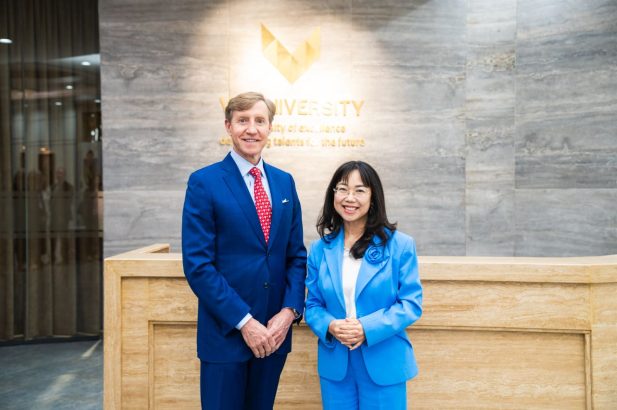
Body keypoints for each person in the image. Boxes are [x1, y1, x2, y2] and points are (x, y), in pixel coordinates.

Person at [182, 92, 307, 410]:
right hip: (226, 336)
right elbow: (198, 266)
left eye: (260, 121)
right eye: (242, 121)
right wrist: (245, 322)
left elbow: (295, 256)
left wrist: (288, 312)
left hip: (274, 335)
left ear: (270, 127)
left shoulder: (284, 182)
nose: (251, 129)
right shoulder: (204, 182)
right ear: (228, 126)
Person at [304, 161, 423, 410]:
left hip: (384, 360)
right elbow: (312, 305)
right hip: (336, 364)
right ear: (333, 195)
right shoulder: (319, 249)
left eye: (359, 190)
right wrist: (331, 325)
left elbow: (411, 304)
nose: (350, 198)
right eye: (342, 189)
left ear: (373, 197)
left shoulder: (400, 245)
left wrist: (366, 328)